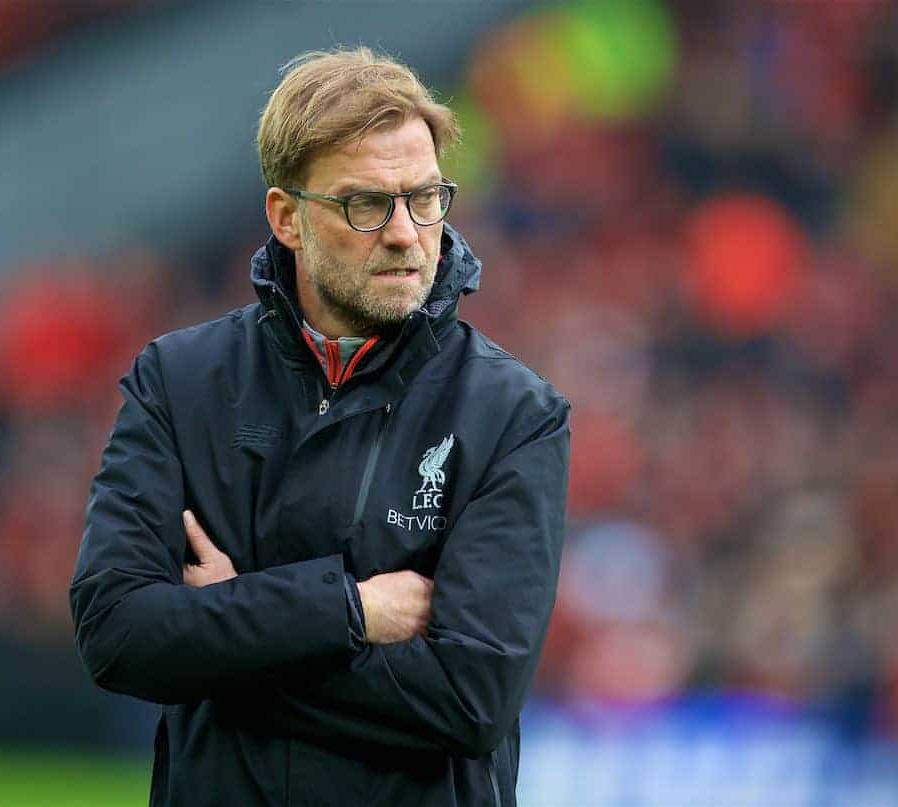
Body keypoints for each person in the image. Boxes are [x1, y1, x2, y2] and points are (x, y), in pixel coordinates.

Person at [70, 48, 570, 807]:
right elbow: (116, 634)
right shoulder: (179, 380)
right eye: (366, 204)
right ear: (288, 217)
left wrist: (230, 629)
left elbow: (472, 699)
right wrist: (351, 610)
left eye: (426, 198)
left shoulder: (512, 414)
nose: (406, 233)